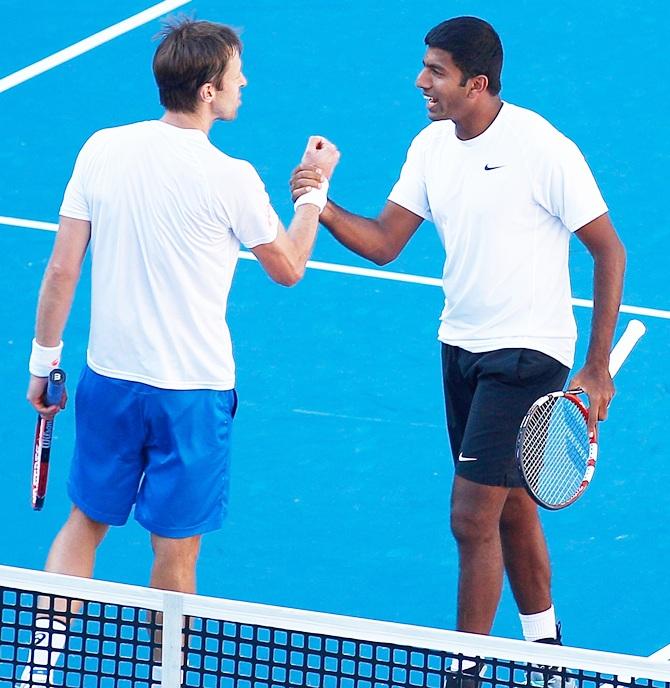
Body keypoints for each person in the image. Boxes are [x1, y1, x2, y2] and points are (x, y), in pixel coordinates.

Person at [290, 14, 625, 683]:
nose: (421, 81)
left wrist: (595, 364)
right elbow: (385, 242)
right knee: (512, 505)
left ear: (477, 83)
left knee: (470, 516)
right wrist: (321, 206)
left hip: (527, 354)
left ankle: (463, 671)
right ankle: (547, 651)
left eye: (435, 71)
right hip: (462, 349)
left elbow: (608, 248)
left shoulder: (542, 147)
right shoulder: (431, 147)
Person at [21, 17, 338, 687]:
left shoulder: (100, 148)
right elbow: (287, 267)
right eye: (235, 74)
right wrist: (314, 196)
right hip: (190, 395)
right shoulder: (232, 178)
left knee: (85, 521)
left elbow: (60, 271)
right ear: (205, 91)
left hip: (109, 379)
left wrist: (43, 361)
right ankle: (166, 678)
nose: (243, 82)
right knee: (177, 551)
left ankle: (33, 670)